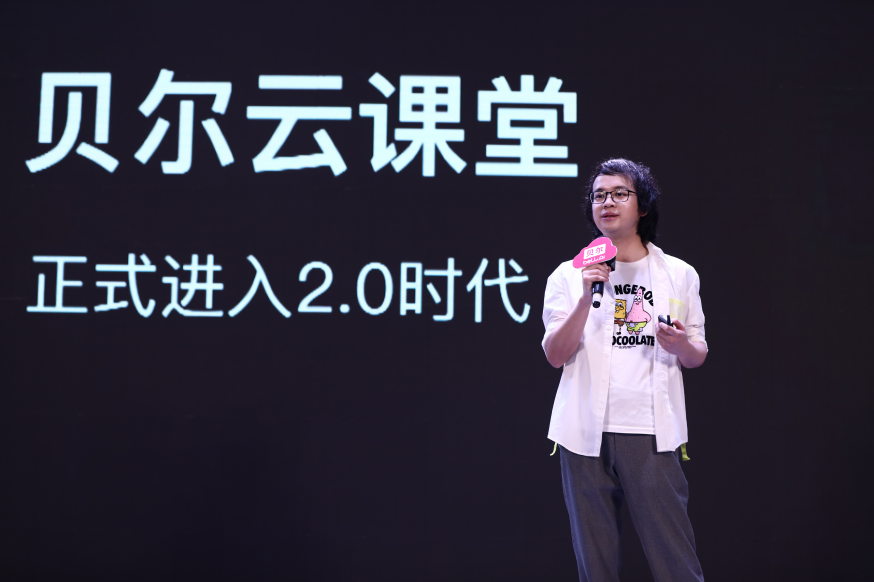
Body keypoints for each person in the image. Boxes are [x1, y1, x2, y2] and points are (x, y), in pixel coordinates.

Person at [541, 158, 707, 582]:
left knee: (674, 558)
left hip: (649, 430)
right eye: (599, 195)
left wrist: (681, 345)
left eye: (619, 193)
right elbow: (555, 354)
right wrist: (585, 298)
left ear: (642, 206)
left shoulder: (679, 274)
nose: (607, 202)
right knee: (594, 564)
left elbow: (696, 354)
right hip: (582, 433)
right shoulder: (567, 275)